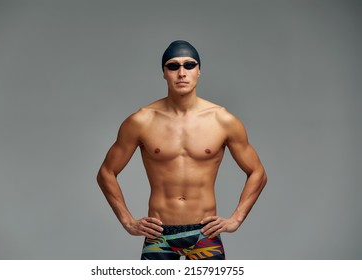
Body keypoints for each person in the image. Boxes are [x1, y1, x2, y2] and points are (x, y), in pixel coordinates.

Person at [97, 40, 267, 260]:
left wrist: (236, 218)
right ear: (164, 73)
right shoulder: (142, 121)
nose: (181, 73)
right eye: (173, 66)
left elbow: (258, 173)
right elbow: (106, 173)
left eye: (189, 65)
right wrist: (128, 221)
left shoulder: (222, 120)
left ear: (199, 71)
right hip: (159, 234)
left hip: (204, 234)